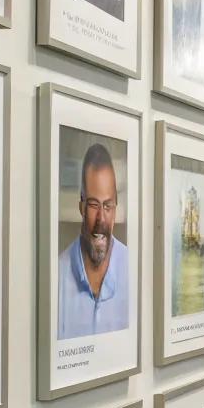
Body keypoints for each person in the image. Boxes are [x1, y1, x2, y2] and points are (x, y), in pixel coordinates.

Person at [57, 140, 129, 339]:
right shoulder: (57, 276)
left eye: (107, 206)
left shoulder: (134, 270)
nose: (101, 219)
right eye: (93, 205)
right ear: (81, 207)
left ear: (115, 209)